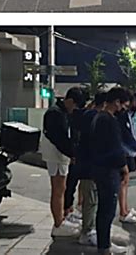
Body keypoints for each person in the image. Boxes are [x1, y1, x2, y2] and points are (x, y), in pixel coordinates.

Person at [90, 87, 131, 254]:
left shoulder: (98, 117)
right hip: (108, 170)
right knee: (107, 209)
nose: (124, 109)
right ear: (116, 102)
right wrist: (124, 167)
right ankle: (104, 246)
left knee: (104, 209)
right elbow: (115, 147)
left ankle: (104, 244)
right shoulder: (109, 120)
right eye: (123, 105)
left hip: (99, 168)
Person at [40, 87, 85, 237]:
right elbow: (59, 138)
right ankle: (58, 223)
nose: (74, 110)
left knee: (61, 187)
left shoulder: (60, 112)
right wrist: (72, 153)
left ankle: (61, 220)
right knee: (58, 189)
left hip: (59, 154)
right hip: (56, 155)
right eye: (75, 106)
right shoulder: (55, 114)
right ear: (70, 101)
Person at [76, 91, 107, 247]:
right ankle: (87, 232)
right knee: (91, 200)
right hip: (90, 166)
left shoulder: (88, 115)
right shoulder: (94, 117)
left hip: (86, 164)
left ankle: (88, 230)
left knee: (90, 199)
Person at [116, 91, 136, 224]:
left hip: (130, 152)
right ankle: (123, 212)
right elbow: (126, 135)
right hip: (125, 153)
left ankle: (126, 210)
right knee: (123, 182)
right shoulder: (122, 116)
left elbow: (133, 133)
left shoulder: (130, 115)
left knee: (125, 182)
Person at [63, 88, 88, 225]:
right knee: (67, 185)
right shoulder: (62, 114)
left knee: (71, 184)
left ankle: (69, 210)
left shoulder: (71, 115)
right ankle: (65, 212)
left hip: (73, 154)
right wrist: (71, 153)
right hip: (68, 156)